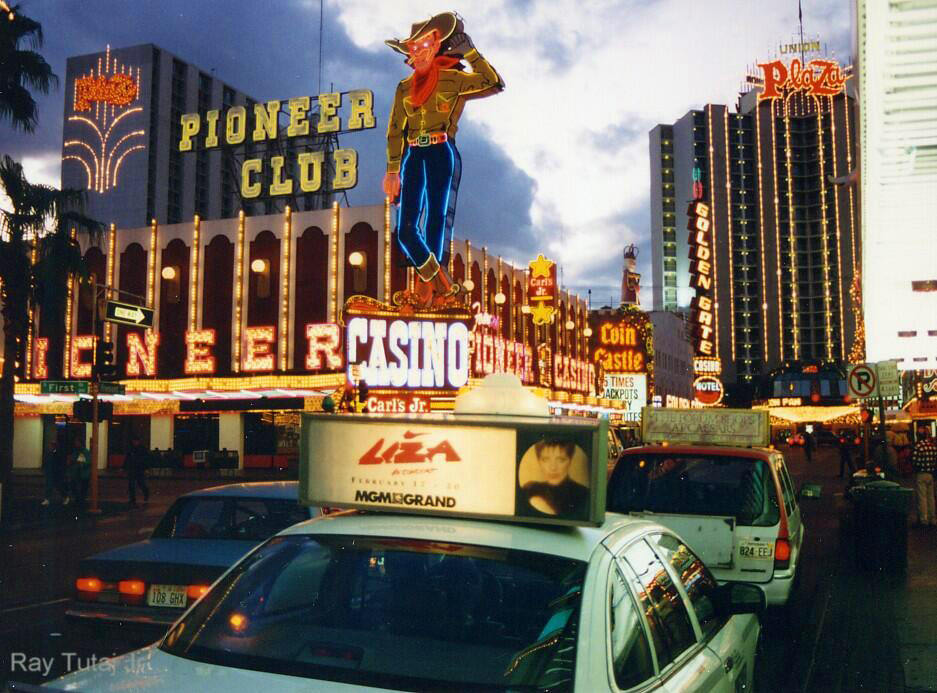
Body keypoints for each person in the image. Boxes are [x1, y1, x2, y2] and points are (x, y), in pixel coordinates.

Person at [383, 12, 504, 307]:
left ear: (436, 45)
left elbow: (493, 81)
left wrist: (471, 52)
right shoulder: (403, 88)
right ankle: (442, 283)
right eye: (413, 47)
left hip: (441, 151)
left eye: (424, 44)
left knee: (437, 220)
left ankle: (430, 291)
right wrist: (392, 171)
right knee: (407, 231)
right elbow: (395, 130)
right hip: (412, 154)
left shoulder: (452, 79)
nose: (418, 52)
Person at [520, 439, 589, 519]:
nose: (553, 467)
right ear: (539, 461)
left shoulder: (583, 494)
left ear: (570, 460)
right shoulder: (529, 489)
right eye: (545, 459)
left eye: (560, 460)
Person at [910, 425, 937, 527]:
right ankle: (932, 518)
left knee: (922, 497)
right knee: (931, 497)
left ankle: (924, 518)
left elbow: (915, 461)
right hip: (930, 473)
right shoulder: (932, 446)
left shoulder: (919, 447)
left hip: (921, 473)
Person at [41, 438, 69, 506]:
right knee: (49, 486)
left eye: (52, 445)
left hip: (56, 472)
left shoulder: (58, 453)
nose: (50, 446)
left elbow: (59, 463)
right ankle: (47, 499)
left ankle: (65, 497)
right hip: (50, 471)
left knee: (58, 486)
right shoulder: (49, 453)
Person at [125, 435, 150, 507]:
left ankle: (146, 494)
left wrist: (145, 468)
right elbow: (127, 459)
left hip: (139, 469)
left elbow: (146, 459)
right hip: (133, 469)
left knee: (141, 483)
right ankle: (132, 499)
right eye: (133, 441)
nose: (134, 442)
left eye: (136, 441)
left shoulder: (142, 449)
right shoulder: (131, 449)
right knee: (131, 485)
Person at [68, 435, 91, 510]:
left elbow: (87, 462)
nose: (75, 443)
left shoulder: (85, 452)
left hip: (83, 474)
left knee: (82, 489)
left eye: (77, 442)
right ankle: (79, 501)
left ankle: (81, 502)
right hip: (76, 473)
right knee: (74, 487)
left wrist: (80, 464)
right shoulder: (76, 451)